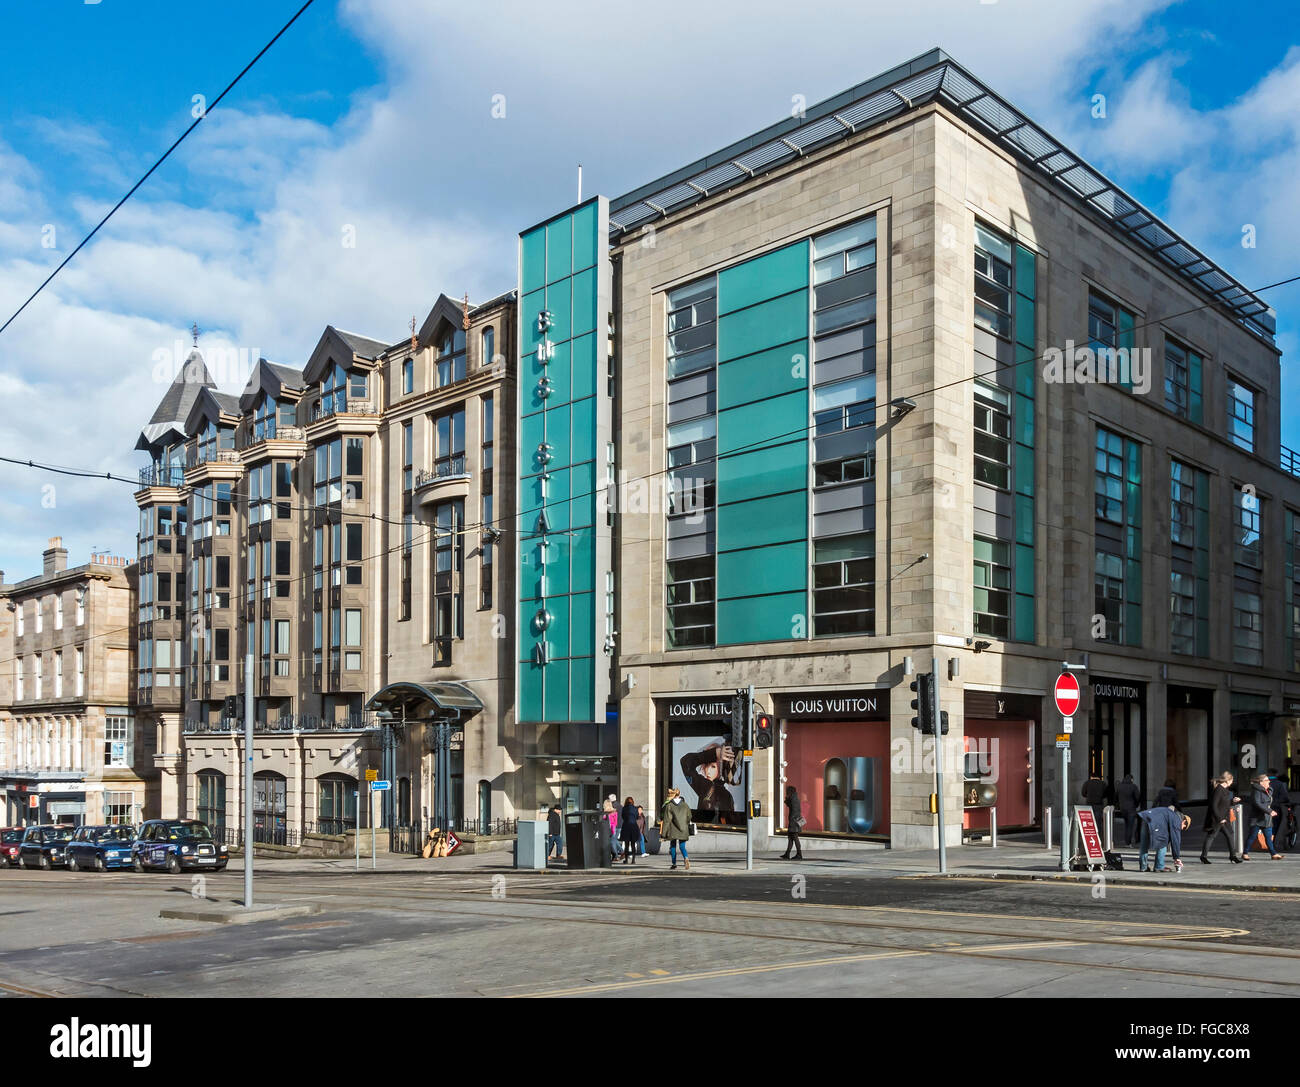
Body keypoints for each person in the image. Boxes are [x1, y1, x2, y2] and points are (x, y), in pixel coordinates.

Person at [1200, 772, 1242, 864]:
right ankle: (1204, 857)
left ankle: (1232, 856)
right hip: (1218, 819)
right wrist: (1219, 818)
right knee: (1212, 836)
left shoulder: (1223, 790)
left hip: (1223, 818)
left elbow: (1224, 804)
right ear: (1228, 780)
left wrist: (1233, 801)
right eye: (1232, 780)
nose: (1232, 782)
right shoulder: (1219, 789)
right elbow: (1214, 805)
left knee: (1227, 835)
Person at [1137, 805, 1191, 872]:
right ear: (1184, 822)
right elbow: (1175, 840)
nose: (1181, 829)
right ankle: (1159, 867)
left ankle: (1143, 867)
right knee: (1163, 843)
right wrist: (1177, 857)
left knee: (1144, 845)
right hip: (1155, 821)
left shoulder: (1171, 814)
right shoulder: (1177, 819)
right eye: (1183, 827)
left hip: (1145, 817)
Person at [1242, 774, 1283, 860]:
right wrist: (1270, 811)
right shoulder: (1256, 791)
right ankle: (1245, 853)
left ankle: (1273, 854)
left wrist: (1270, 811)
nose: (1269, 781)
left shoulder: (1268, 790)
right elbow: (1257, 803)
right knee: (1252, 836)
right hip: (1257, 818)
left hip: (1266, 818)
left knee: (1268, 837)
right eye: (1267, 780)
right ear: (1261, 782)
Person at [660, 787, 692, 870]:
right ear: (679, 795)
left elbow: (667, 820)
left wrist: (663, 834)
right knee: (682, 846)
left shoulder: (669, 805)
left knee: (673, 846)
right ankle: (686, 858)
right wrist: (685, 823)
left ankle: (674, 863)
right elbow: (689, 816)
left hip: (673, 829)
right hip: (683, 829)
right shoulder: (685, 805)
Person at [1268, 769, 1293, 853]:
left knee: (1264, 826)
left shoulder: (1262, 783)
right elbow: (1285, 796)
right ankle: (1271, 844)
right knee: (1274, 826)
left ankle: (1265, 843)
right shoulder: (1280, 784)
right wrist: (1288, 803)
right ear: (1276, 774)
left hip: (1263, 807)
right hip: (1275, 807)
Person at [1115, 774, 1142, 846]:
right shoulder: (1133, 787)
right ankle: (1128, 842)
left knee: (1126, 824)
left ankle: (1127, 840)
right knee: (1130, 825)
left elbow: (1116, 797)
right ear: (1131, 779)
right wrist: (1136, 805)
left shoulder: (1120, 786)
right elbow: (1138, 797)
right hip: (1131, 808)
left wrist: (1118, 805)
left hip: (1122, 808)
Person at [780, 785, 803, 860]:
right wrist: (787, 800)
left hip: (794, 822)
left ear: (790, 791)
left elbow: (794, 810)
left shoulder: (794, 799)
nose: (786, 792)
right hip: (794, 821)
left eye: (787, 791)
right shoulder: (794, 798)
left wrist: (787, 800)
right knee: (790, 838)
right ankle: (787, 854)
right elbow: (791, 806)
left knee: (795, 838)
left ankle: (799, 854)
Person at [618, 796, 640, 864]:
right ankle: (633, 860)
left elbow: (623, 817)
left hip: (626, 827)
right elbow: (637, 817)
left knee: (627, 844)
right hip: (633, 827)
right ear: (632, 802)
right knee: (633, 844)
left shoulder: (624, 808)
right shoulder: (635, 808)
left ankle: (626, 860)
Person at [602, 798, 620, 862]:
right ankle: (616, 855)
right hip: (613, 828)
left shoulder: (607, 813)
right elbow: (615, 822)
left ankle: (616, 855)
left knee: (611, 843)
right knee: (612, 842)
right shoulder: (614, 812)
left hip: (609, 829)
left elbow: (604, 820)